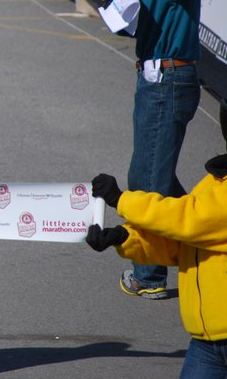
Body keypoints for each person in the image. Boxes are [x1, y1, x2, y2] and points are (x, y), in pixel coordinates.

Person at [100, 0, 201, 299]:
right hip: (151, 80)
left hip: (170, 80)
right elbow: (141, 29)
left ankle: (150, 274)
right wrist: (116, 10)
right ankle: (210, 236)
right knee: (154, 176)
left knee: (148, 181)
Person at [85, 120, 227, 378]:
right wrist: (124, 237)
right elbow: (182, 246)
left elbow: (190, 219)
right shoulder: (214, 182)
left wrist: (121, 200)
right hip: (207, 340)